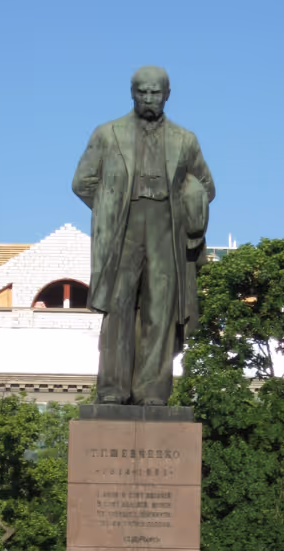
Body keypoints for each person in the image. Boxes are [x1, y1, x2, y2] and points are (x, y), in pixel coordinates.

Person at [72, 65, 215, 405]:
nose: (149, 98)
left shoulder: (185, 139)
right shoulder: (108, 134)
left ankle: (153, 391)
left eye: (156, 92)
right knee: (118, 306)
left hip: (167, 224)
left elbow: (205, 185)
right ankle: (112, 390)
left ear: (167, 95)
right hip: (125, 222)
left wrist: (189, 206)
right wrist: (110, 205)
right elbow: (82, 181)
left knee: (160, 309)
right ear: (132, 93)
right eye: (142, 92)